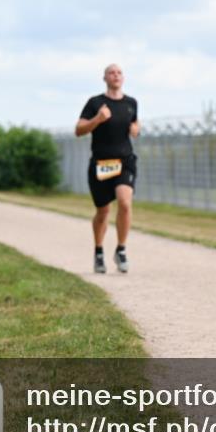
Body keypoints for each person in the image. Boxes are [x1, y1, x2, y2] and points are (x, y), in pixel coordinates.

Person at [75, 64, 140, 274]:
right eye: (111, 73)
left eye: (119, 72)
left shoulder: (131, 103)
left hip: (125, 161)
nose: (116, 75)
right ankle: (99, 251)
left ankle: (121, 249)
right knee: (103, 211)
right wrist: (98, 119)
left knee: (125, 202)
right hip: (101, 164)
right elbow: (79, 130)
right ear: (104, 78)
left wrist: (136, 129)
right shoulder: (95, 103)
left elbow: (135, 124)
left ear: (124, 77)